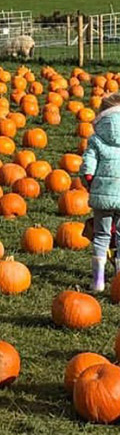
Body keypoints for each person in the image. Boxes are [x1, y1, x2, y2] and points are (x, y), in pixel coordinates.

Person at [81, 91, 120, 291]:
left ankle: (98, 280)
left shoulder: (97, 139)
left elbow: (88, 164)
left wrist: (89, 182)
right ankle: (118, 278)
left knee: (101, 235)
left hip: (102, 196)